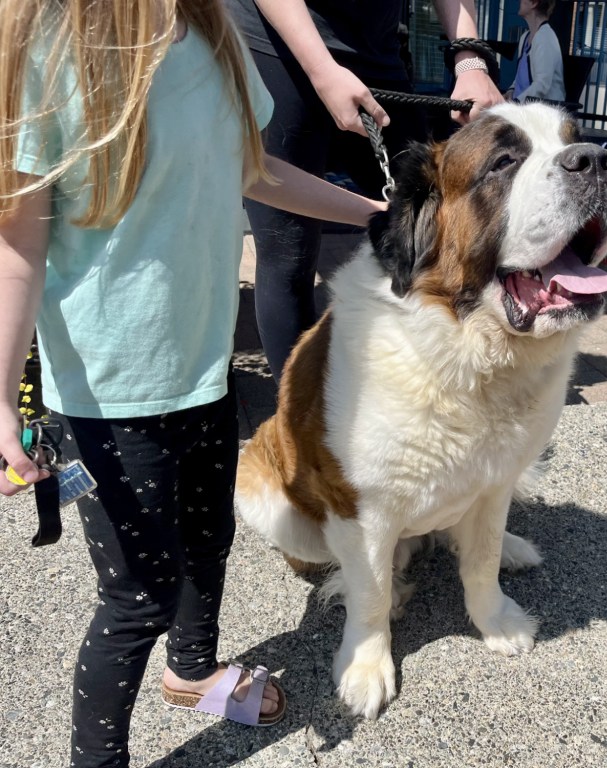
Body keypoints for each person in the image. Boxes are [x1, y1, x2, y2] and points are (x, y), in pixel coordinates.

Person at [0, 1, 387, 766]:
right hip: (105, 397)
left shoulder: (215, 36)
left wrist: (379, 215)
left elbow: (257, 167)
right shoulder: (47, 52)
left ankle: (193, 671)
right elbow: (17, 247)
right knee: (137, 595)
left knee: (209, 540)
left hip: (204, 368)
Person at [226, 0, 505, 380]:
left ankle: (443, 380)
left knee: (442, 230)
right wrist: (323, 70)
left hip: (377, 51)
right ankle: (300, 418)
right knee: (289, 257)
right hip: (276, 47)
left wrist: (470, 60)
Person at [508, 0, 566, 103]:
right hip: (525, 107)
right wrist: (511, 91)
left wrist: (516, 103)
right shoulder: (525, 37)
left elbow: (542, 85)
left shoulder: (545, 37)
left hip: (543, 110)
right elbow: (520, 77)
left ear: (534, 3)